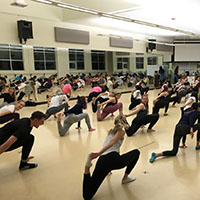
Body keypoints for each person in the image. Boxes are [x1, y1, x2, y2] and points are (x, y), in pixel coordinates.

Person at [83, 115, 140, 200]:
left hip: (102, 160)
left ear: (114, 123)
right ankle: (125, 178)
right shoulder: (121, 132)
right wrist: (98, 153)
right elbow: (112, 142)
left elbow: (109, 145)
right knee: (136, 152)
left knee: (87, 196)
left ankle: (87, 168)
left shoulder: (110, 132)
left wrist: (100, 155)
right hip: (113, 159)